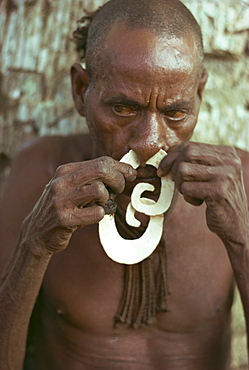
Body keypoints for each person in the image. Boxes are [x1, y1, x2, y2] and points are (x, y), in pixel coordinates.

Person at [0, 0, 249, 368]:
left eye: (175, 113)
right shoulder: (41, 172)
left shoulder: (237, 181)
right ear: (81, 89)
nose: (148, 142)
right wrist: (33, 246)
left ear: (198, 95)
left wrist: (241, 237)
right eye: (123, 109)